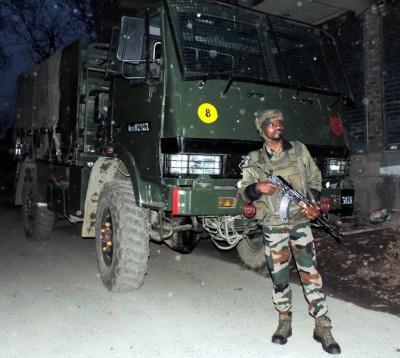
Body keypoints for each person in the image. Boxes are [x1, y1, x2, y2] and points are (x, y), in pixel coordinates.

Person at [239, 109, 341, 355]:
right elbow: (243, 194)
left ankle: (322, 324)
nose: (277, 126)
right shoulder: (254, 159)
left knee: (310, 273)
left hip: (300, 224)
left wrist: (312, 202)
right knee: (280, 277)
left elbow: (315, 178)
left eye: (280, 123)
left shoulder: (298, 150)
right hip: (273, 227)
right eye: (271, 124)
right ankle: (284, 320)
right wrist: (258, 187)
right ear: (262, 129)